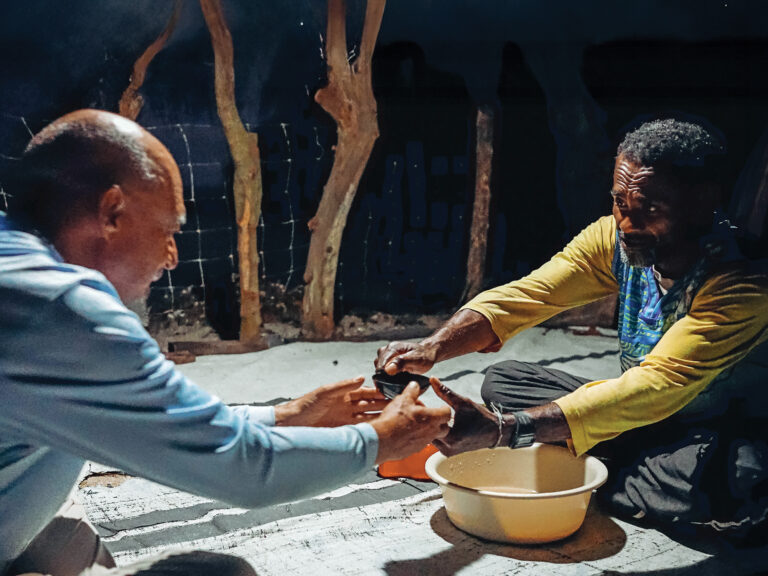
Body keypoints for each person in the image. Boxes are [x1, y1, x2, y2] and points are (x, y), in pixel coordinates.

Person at [0, 109, 451, 576]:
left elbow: (138, 420)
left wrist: (285, 416)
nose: (172, 258)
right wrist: (381, 439)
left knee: (67, 539)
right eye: (169, 231)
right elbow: (244, 469)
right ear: (113, 213)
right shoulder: (63, 309)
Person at [377, 118, 768, 542]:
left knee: (738, 479)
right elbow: (527, 296)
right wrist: (432, 348)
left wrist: (506, 431)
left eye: (650, 209)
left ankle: (596, 464)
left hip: (715, 428)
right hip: (632, 416)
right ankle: (606, 462)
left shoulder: (743, 280)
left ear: (702, 202)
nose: (627, 224)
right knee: (505, 381)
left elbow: (659, 385)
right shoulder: (614, 241)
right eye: (620, 202)